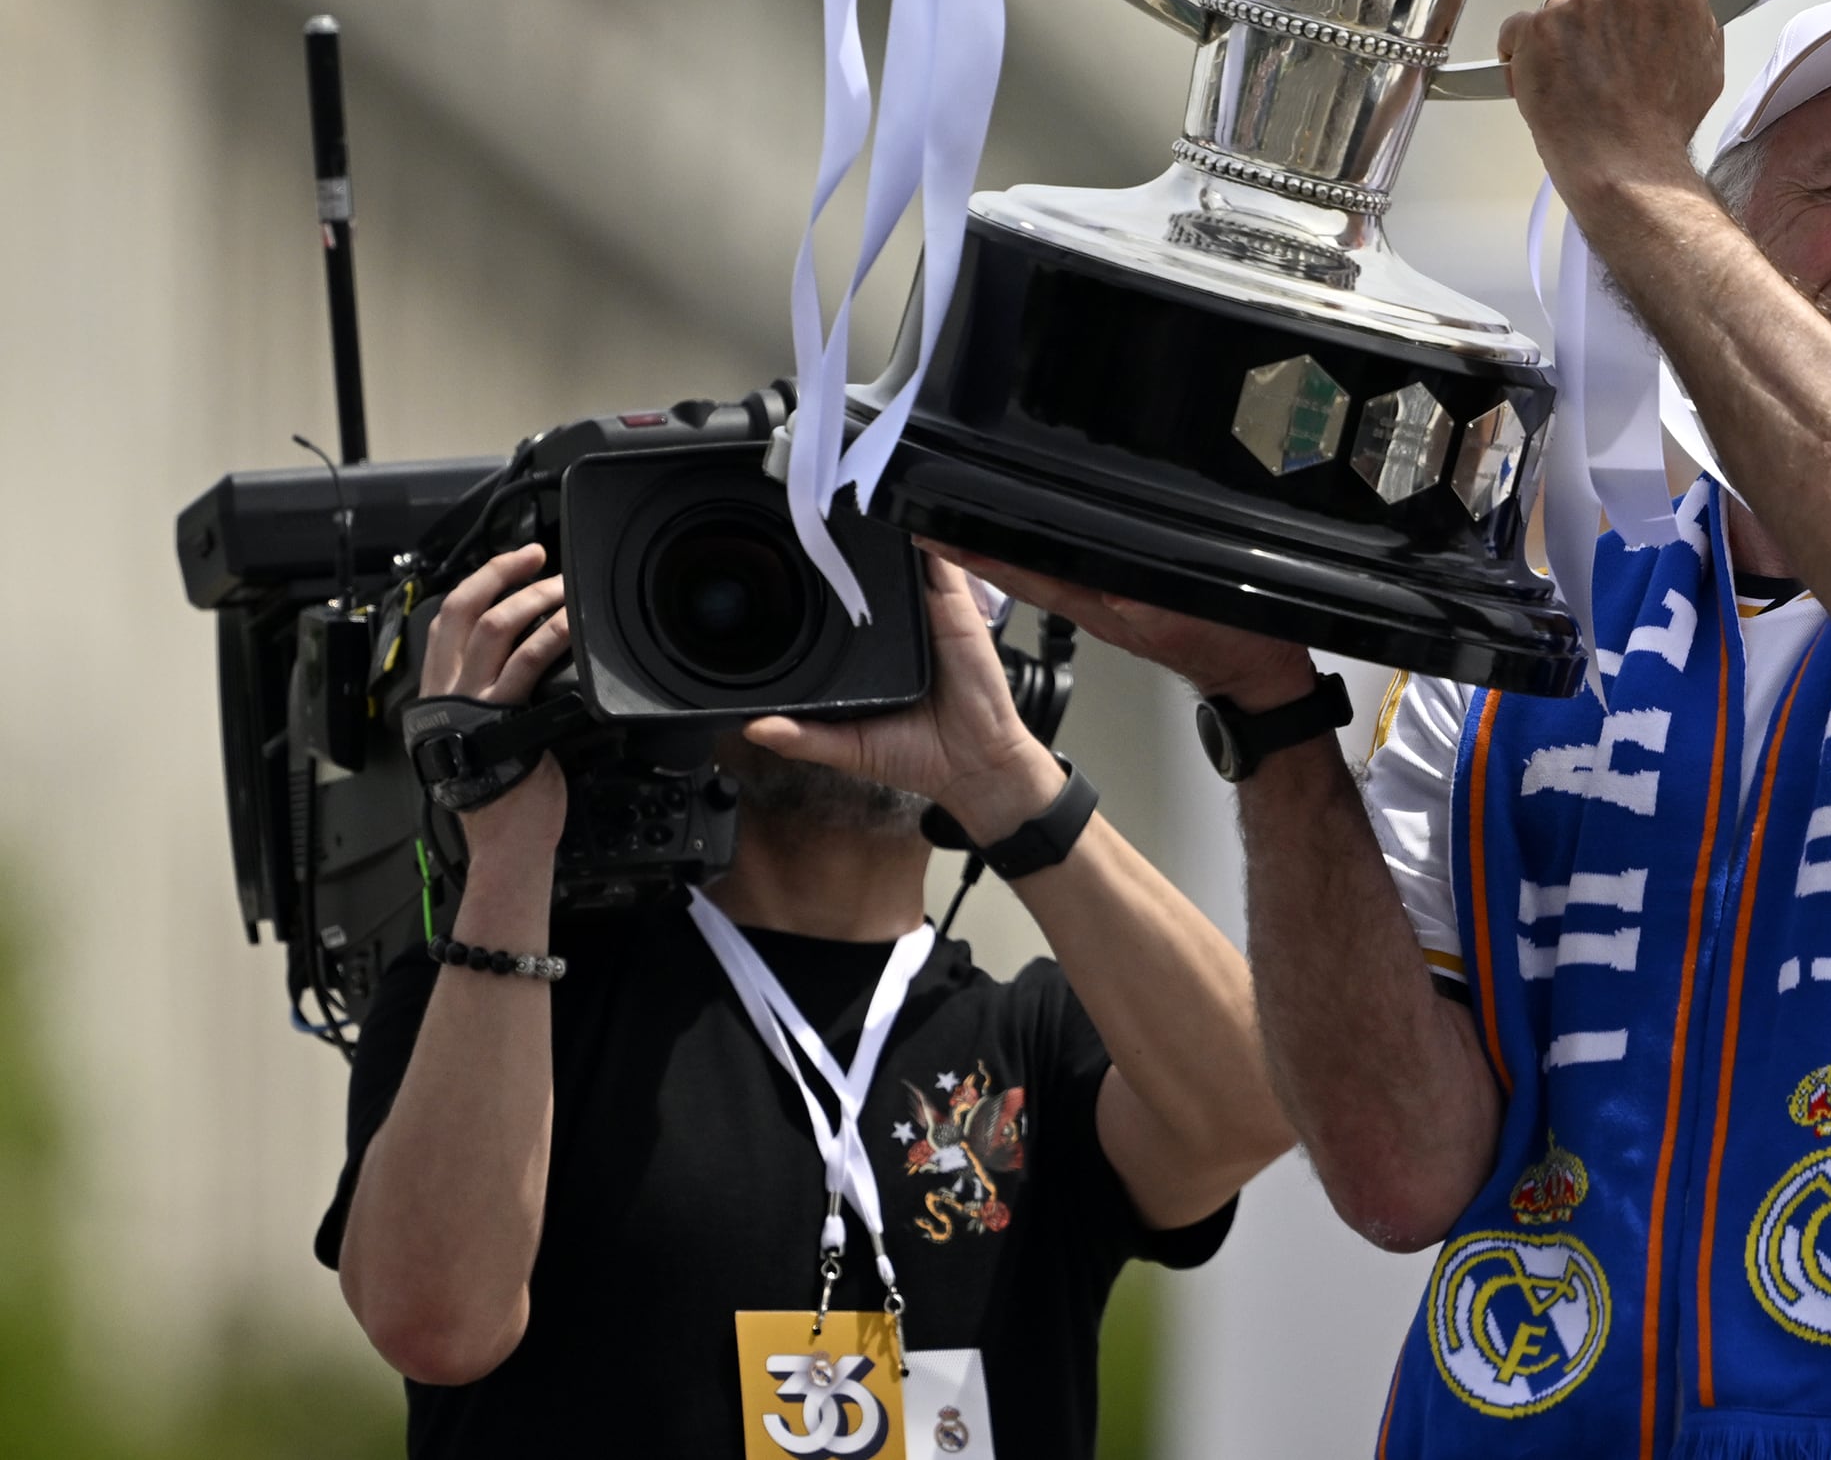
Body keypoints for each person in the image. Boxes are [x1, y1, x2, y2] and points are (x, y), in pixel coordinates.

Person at [964, 0, 1831, 1456]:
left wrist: (1627, 171)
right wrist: (1267, 708)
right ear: (1737, 239)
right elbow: (1400, 1170)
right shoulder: (1533, 616)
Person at [322, 542, 1291, 1459]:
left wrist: (1005, 778)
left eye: (894, 606)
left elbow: (1258, 1105)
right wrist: (508, 852)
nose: (843, 650)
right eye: (789, 601)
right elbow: (432, 1321)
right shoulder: (514, 987)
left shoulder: (1036, 1042)